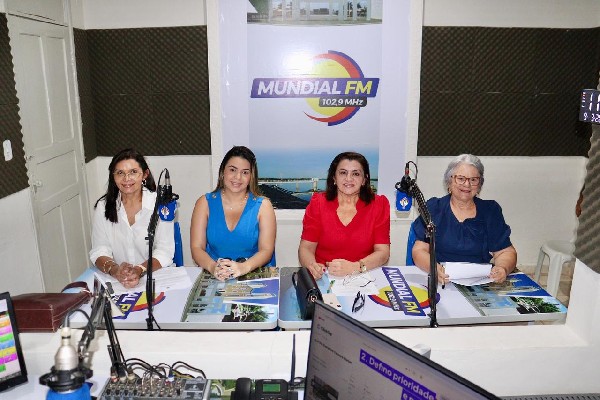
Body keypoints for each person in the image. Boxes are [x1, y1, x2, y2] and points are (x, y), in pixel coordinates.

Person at [412, 154, 517, 284]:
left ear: (479, 185)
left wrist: (503, 268)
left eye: (473, 180)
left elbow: (505, 252)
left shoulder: (490, 210)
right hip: (441, 280)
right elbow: (419, 250)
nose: (467, 184)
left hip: (479, 281)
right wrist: (433, 268)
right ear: (449, 181)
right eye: (461, 179)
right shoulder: (434, 208)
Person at [89, 148, 175, 289]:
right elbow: (99, 250)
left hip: (155, 277)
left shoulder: (161, 204)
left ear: (145, 174)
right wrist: (115, 270)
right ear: (113, 176)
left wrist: (139, 269)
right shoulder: (103, 206)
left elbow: (164, 251)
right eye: (120, 173)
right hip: (119, 280)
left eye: (133, 172)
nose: (126, 178)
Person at [299, 151, 390, 280]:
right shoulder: (318, 203)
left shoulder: (379, 204)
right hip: (324, 277)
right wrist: (312, 266)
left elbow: (383, 252)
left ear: (364, 180)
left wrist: (355, 267)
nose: (349, 179)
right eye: (343, 173)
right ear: (334, 178)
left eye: (356, 174)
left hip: (364, 276)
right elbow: (306, 248)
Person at [190, 146, 276, 281]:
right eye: (232, 170)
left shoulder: (264, 206)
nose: (238, 177)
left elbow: (266, 250)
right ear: (223, 172)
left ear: (251, 176)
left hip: (252, 274)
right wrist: (213, 267)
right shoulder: (204, 203)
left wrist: (243, 267)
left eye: (245, 172)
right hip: (216, 275)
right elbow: (197, 247)